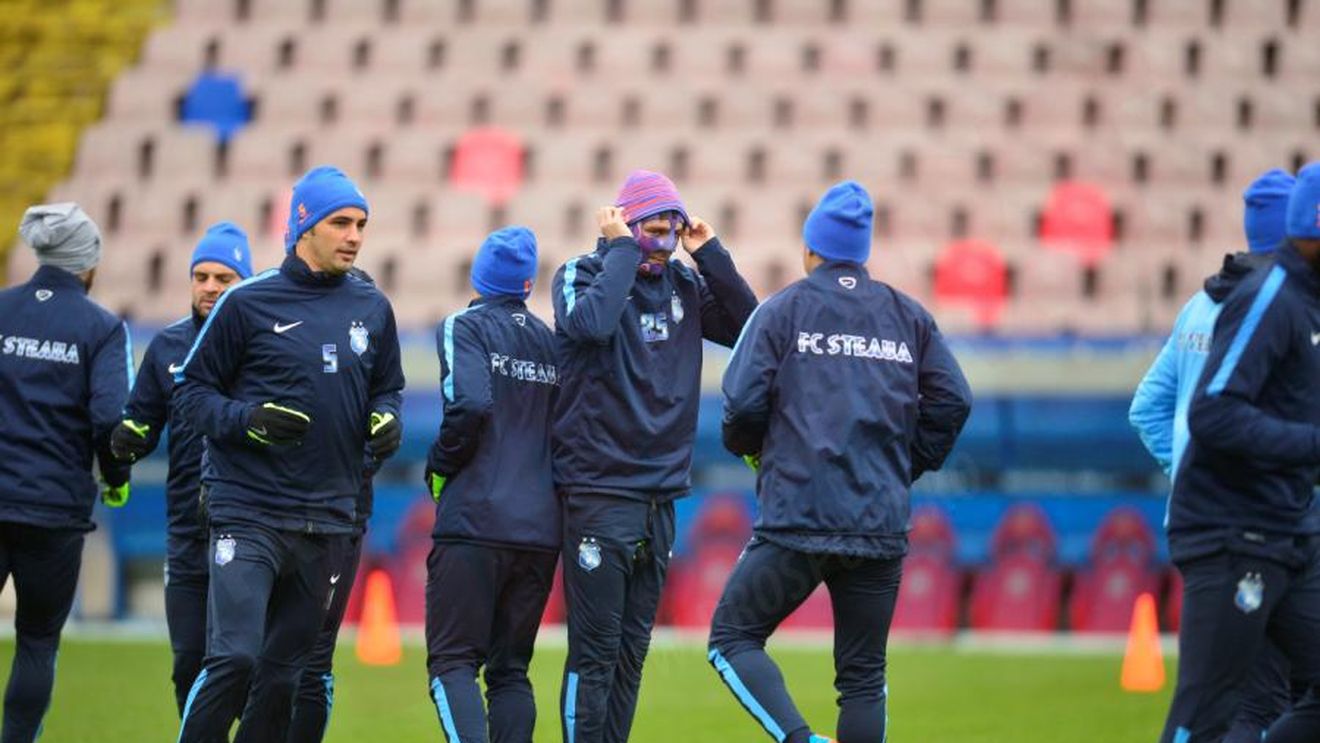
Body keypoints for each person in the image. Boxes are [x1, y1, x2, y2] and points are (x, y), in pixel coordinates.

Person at [708, 181, 972, 743]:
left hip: (797, 516)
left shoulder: (782, 311)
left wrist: (756, 452)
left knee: (733, 637)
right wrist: (903, 465)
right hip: (879, 522)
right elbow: (954, 400)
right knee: (863, 678)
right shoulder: (908, 316)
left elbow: (741, 404)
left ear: (810, 249)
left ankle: (799, 739)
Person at [172, 166, 405, 742]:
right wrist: (248, 421)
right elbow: (192, 394)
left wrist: (387, 419)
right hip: (248, 510)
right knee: (235, 659)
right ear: (304, 226)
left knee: (283, 678)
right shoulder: (246, 303)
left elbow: (388, 388)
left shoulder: (373, 307)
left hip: (327, 517)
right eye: (341, 223)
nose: (354, 236)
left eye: (361, 224)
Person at [551, 170, 757, 742]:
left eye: (672, 232)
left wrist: (709, 254)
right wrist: (620, 251)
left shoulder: (683, 283)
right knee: (594, 652)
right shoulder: (580, 274)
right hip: (598, 489)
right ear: (624, 225)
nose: (663, 245)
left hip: (661, 493)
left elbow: (750, 326)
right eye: (652, 231)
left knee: (631, 652)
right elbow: (590, 326)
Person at [1129, 168, 1297, 742]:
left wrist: (1191, 474)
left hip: (1201, 521)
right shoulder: (1283, 310)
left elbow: (1147, 409)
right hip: (1263, 525)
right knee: (1260, 698)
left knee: (1230, 693)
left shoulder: (1200, 307)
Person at [109, 221, 253, 716]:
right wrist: (128, 439)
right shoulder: (168, 347)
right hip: (187, 531)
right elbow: (141, 422)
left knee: (243, 665)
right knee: (188, 663)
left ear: (244, 283)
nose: (209, 287)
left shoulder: (264, 346)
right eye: (200, 276)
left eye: (223, 278)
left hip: (251, 527)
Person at [0, 203, 133, 742]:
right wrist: (116, 477)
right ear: (89, 262)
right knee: (37, 641)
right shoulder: (101, 328)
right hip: (54, 512)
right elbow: (110, 419)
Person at [424, 226, 560, 743]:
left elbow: (470, 405)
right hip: (540, 530)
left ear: (479, 276)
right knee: (510, 671)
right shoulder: (551, 343)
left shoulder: (464, 326)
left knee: (453, 662)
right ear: (528, 283)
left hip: (475, 521)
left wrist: (440, 464)